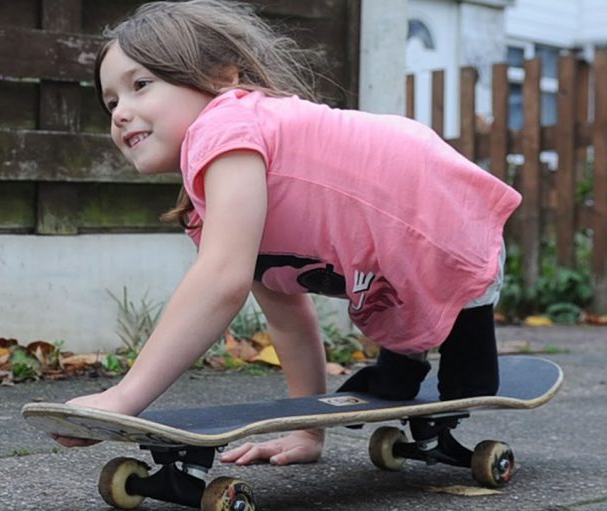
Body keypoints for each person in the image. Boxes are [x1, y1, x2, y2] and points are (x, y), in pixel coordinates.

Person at [55, 0, 522, 467]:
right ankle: (404, 367)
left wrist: (125, 396)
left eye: (140, 85)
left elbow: (222, 281)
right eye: (111, 101)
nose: (120, 113)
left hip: (446, 213)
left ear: (221, 75)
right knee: (397, 319)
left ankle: (442, 371)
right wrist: (306, 430)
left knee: (467, 366)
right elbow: (286, 316)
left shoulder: (226, 123)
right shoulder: (223, 189)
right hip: (402, 237)